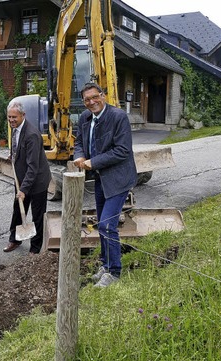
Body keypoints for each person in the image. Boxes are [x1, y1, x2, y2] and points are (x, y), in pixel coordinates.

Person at [73, 83, 137, 288]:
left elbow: (122, 151)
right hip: (101, 178)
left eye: (95, 97)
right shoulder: (85, 118)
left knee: (107, 225)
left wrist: (94, 162)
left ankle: (114, 272)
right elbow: (79, 142)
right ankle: (105, 265)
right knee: (102, 222)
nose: (92, 102)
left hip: (118, 178)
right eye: (87, 99)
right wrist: (80, 156)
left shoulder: (118, 117)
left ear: (103, 95)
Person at [3, 100, 51, 255]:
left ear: (23, 115)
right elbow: (17, 147)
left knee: (38, 215)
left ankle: (35, 249)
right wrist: (14, 154)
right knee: (18, 210)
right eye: (9, 117)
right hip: (22, 178)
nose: (11, 120)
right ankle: (15, 239)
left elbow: (33, 167)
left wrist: (23, 189)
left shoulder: (31, 135)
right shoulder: (15, 128)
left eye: (14, 117)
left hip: (37, 181)